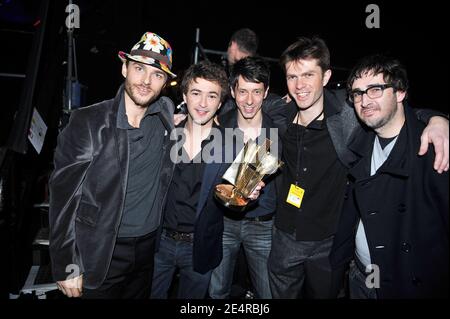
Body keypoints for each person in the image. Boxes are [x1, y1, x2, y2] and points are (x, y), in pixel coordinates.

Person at [267, 36, 449, 299]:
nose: (299, 85)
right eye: (292, 77)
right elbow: (245, 106)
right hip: (284, 234)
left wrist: (437, 119)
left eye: (308, 75)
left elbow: (391, 110)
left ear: (326, 76)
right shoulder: (279, 115)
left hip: (328, 241)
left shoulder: (349, 115)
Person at [49, 32, 177, 299]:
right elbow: (62, 198)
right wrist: (65, 264)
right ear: (124, 68)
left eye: (157, 74)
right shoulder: (88, 121)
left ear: (165, 83)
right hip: (101, 250)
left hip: (147, 251)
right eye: (139, 68)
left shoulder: (165, 114)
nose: (145, 81)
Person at [330, 55, 448, 299]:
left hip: (405, 286)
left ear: (400, 92)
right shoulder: (359, 142)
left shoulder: (433, 149)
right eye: (358, 93)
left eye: (375, 89)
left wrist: (440, 120)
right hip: (360, 276)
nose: (364, 101)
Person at [150, 60, 263, 299]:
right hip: (159, 243)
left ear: (220, 102)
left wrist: (249, 197)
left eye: (211, 96)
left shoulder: (233, 144)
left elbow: (238, 197)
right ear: (185, 95)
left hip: (201, 246)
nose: (203, 103)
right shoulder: (165, 135)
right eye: (196, 93)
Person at [209, 57, 278, 299]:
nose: (249, 101)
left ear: (266, 92)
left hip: (262, 224)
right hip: (224, 223)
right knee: (217, 291)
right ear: (233, 92)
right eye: (243, 91)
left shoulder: (278, 132)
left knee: (267, 293)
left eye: (257, 92)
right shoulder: (218, 128)